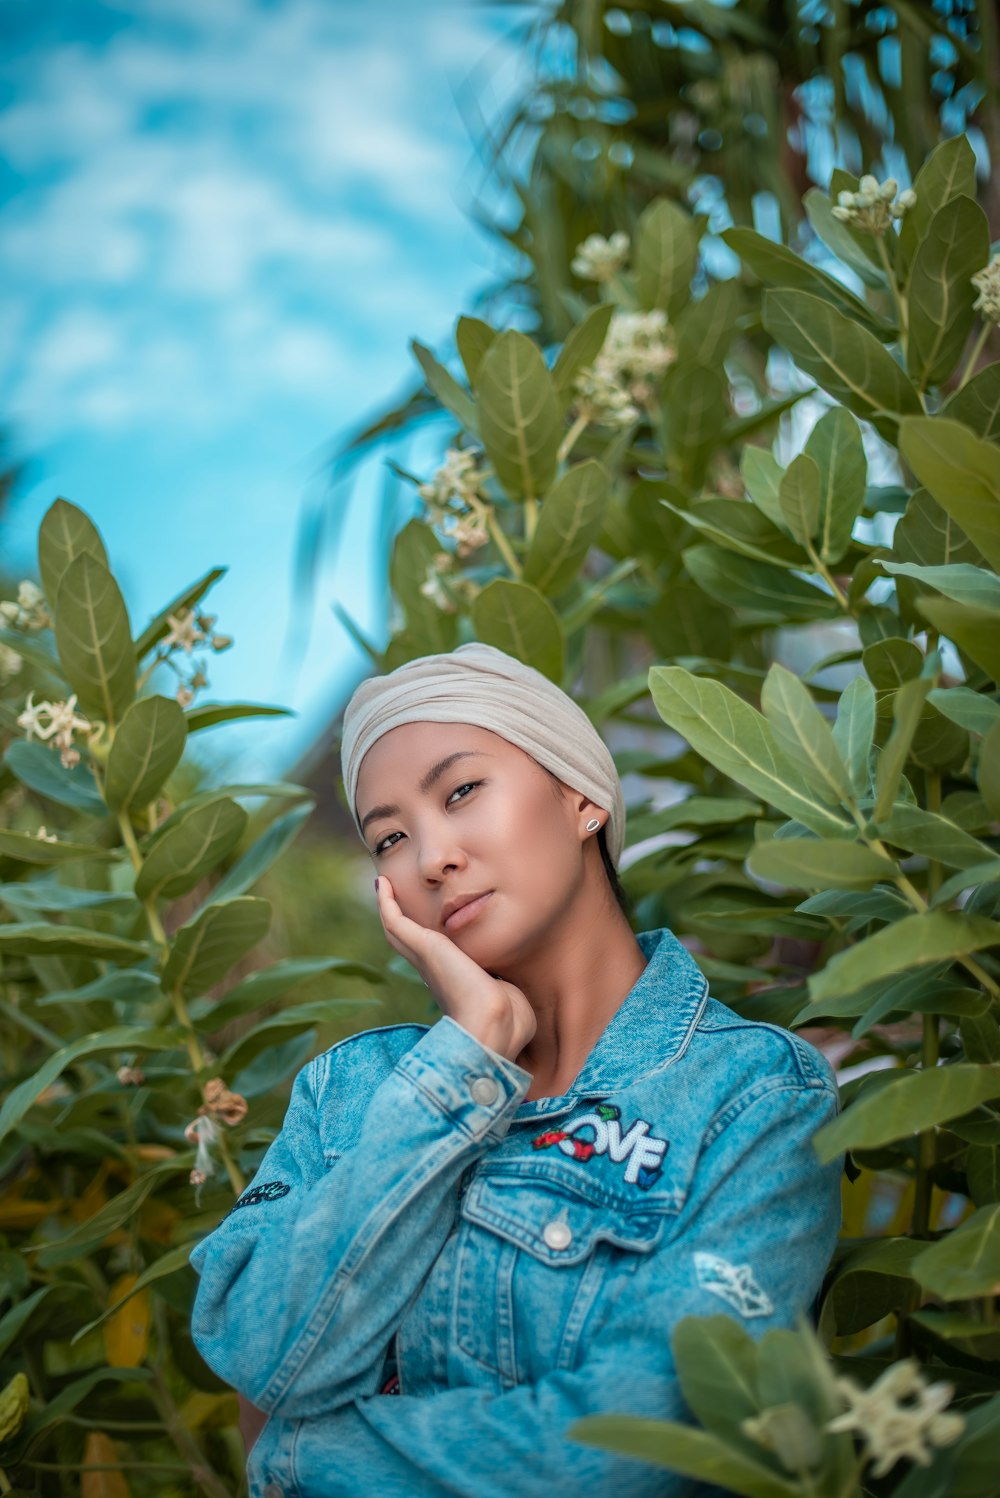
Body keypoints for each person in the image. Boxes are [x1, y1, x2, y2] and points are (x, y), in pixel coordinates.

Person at [188, 641, 843, 1498]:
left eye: (461, 791)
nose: (431, 858)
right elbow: (258, 1356)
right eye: (389, 837)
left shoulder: (756, 1098)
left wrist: (296, 1457)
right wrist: (469, 1056)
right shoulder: (349, 1092)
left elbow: (634, 1451)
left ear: (582, 798)